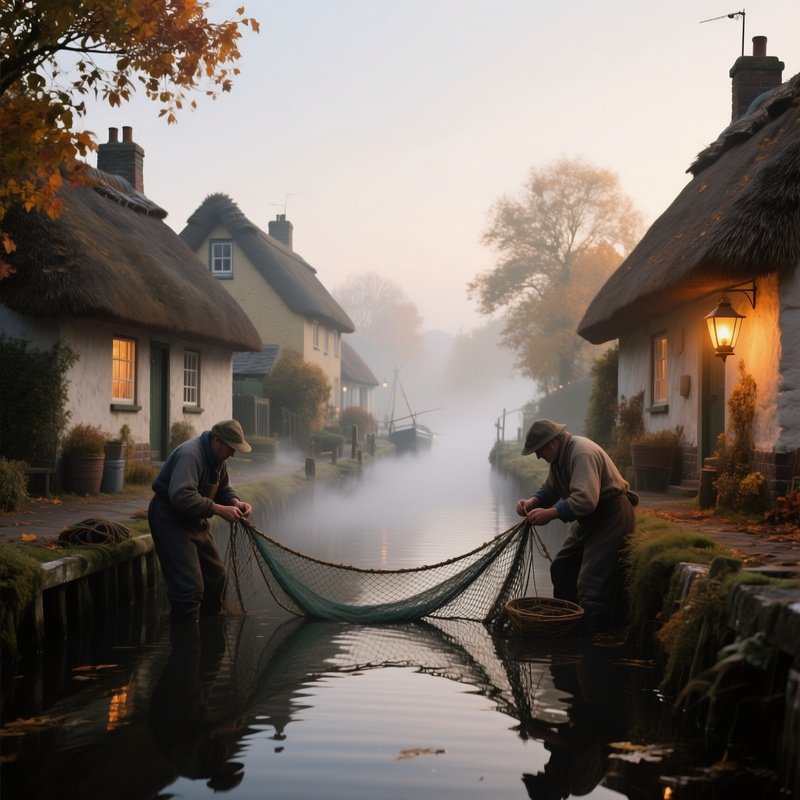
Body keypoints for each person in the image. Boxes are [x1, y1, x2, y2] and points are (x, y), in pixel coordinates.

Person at [515, 419, 636, 630]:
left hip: (611, 516)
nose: (538, 456)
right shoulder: (559, 458)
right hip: (589, 518)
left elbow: (586, 500)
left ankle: (592, 638)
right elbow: (550, 489)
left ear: (553, 442)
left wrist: (550, 514)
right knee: (562, 568)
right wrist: (532, 502)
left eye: (539, 450)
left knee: (592, 584)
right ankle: (569, 626)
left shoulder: (581, 453)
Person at [148, 419, 253, 621]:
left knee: (216, 578)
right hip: (170, 520)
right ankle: (186, 636)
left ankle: (210, 633)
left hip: (196, 520)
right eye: (231, 448)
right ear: (217, 440)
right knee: (189, 588)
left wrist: (235, 502)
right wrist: (219, 509)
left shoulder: (219, 459)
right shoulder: (190, 454)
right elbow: (182, 496)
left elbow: (224, 489)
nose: (233, 454)